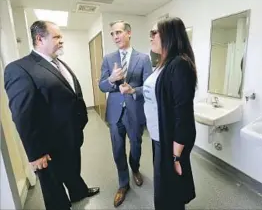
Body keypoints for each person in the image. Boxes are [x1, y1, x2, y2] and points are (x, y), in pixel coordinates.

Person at [4, 20, 100, 210]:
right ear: (39, 39)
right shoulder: (20, 69)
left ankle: (78, 192)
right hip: (47, 146)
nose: (61, 41)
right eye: (56, 37)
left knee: (72, 169)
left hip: (70, 136)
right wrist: (35, 153)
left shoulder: (57, 62)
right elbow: (23, 115)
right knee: (53, 188)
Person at [143, 17, 197, 210]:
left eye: (154, 33)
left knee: (170, 193)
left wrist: (176, 156)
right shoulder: (163, 64)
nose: (150, 38)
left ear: (169, 35)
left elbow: (183, 113)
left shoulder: (179, 65)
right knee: (164, 189)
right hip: (159, 138)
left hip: (170, 144)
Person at [99, 20, 152, 207]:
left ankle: (135, 169)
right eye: (113, 34)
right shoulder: (108, 59)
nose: (115, 37)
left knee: (136, 145)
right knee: (118, 149)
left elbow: (148, 87)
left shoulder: (144, 58)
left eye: (119, 32)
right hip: (115, 113)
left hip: (135, 111)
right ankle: (123, 183)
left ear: (129, 33)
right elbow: (101, 85)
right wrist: (111, 79)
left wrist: (133, 91)